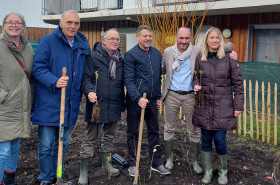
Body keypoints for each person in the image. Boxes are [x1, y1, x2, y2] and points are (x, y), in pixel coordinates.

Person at [162, 27, 237, 174]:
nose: (184, 41)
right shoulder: (167, 52)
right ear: (176, 38)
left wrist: (231, 51)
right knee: (169, 127)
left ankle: (195, 162)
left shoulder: (197, 50)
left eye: (187, 38)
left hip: (191, 95)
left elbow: (218, 45)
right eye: (181, 38)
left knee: (194, 129)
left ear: (191, 38)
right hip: (172, 94)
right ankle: (169, 159)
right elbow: (163, 68)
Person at [32, 10, 90, 185]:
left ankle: (58, 176)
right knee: (46, 145)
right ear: (60, 23)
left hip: (69, 104)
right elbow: (38, 68)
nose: (73, 26)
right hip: (49, 103)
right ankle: (45, 178)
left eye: (76, 23)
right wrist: (54, 81)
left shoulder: (82, 44)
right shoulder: (48, 41)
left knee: (62, 145)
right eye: (69, 22)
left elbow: (83, 73)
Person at [192, 27, 244, 184]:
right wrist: (195, 85)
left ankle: (222, 172)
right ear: (206, 40)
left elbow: (238, 84)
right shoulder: (200, 57)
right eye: (211, 37)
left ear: (220, 40)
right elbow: (195, 76)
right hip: (204, 105)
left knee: (220, 140)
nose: (214, 40)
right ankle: (207, 172)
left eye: (217, 38)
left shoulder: (229, 58)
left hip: (223, 106)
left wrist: (238, 106)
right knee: (206, 139)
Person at [78, 28, 125, 184]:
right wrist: (90, 91)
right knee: (91, 137)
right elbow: (86, 79)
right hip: (97, 104)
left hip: (114, 104)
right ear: (103, 40)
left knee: (109, 136)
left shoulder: (119, 59)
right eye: (111, 38)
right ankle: (83, 172)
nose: (115, 41)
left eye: (117, 39)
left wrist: (122, 105)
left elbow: (121, 83)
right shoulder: (92, 57)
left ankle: (106, 165)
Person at [124, 25, 171, 176]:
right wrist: (137, 98)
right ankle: (133, 162)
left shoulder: (157, 54)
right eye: (145, 36)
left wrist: (157, 96)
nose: (148, 39)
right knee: (133, 132)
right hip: (135, 101)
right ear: (138, 37)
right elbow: (129, 80)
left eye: (150, 36)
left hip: (151, 100)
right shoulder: (131, 55)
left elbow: (157, 77)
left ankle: (156, 162)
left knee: (154, 131)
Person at [0, 12, 34, 185]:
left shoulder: (28, 48)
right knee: (3, 150)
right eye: (10, 22)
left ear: (23, 26)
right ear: (4, 25)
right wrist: (3, 96)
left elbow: (31, 76)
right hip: (4, 107)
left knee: (14, 147)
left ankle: (9, 182)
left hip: (21, 106)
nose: (14, 25)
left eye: (18, 22)